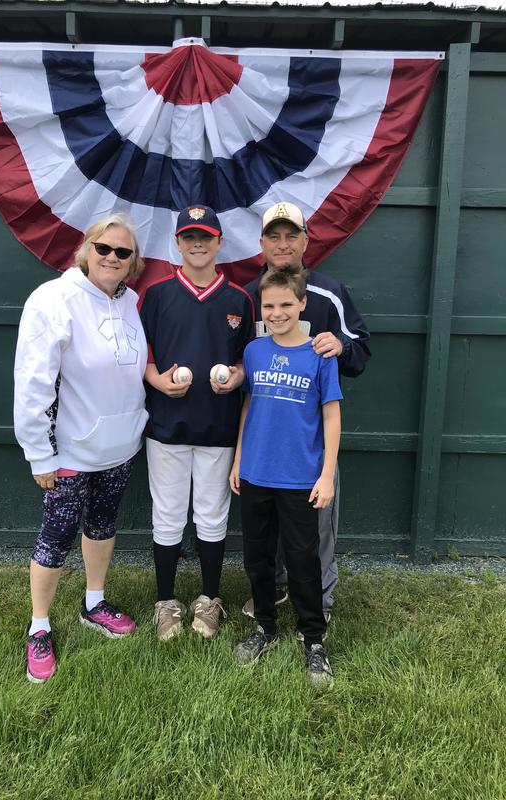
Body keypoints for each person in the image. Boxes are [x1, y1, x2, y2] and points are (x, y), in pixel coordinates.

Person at [14, 213, 148, 683]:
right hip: (69, 452)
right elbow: (32, 383)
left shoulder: (130, 302)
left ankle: (94, 601)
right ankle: (39, 626)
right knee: (56, 536)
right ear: (85, 250)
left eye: (122, 252)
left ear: (133, 261)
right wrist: (39, 453)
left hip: (120, 446)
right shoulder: (53, 300)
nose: (112, 257)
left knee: (103, 523)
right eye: (103, 247)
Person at [241, 201, 370, 629]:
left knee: (315, 528)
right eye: (273, 236)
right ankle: (275, 588)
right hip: (265, 439)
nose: (282, 244)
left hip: (310, 441)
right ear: (262, 243)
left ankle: (320, 602)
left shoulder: (328, 292)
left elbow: (361, 352)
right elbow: (241, 361)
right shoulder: (249, 295)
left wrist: (342, 346)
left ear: (305, 241)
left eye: (291, 235)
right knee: (268, 528)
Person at [139, 206, 254, 641]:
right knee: (168, 514)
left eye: (205, 236)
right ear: (178, 243)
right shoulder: (157, 294)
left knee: (211, 514)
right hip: (167, 425)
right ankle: (165, 601)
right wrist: (156, 380)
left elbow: (245, 360)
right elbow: (142, 353)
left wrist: (237, 377)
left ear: (220, 242)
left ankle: (209, 598)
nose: (198, 244)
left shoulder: (239, 299)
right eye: (189, 236)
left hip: (218, 426)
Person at [230, 267, 342, 687]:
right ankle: (265, 625)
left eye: (285, 305)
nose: (276, 313)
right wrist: (239, 460)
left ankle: (313, 639)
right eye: (269, 306)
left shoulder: (320, 354)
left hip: (299, 477)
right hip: (256, 473)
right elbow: (248, 407)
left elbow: (331, 417)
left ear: (302, 304)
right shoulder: (255, 351)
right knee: (258, 557)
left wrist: (326, 475)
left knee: (302, 559)